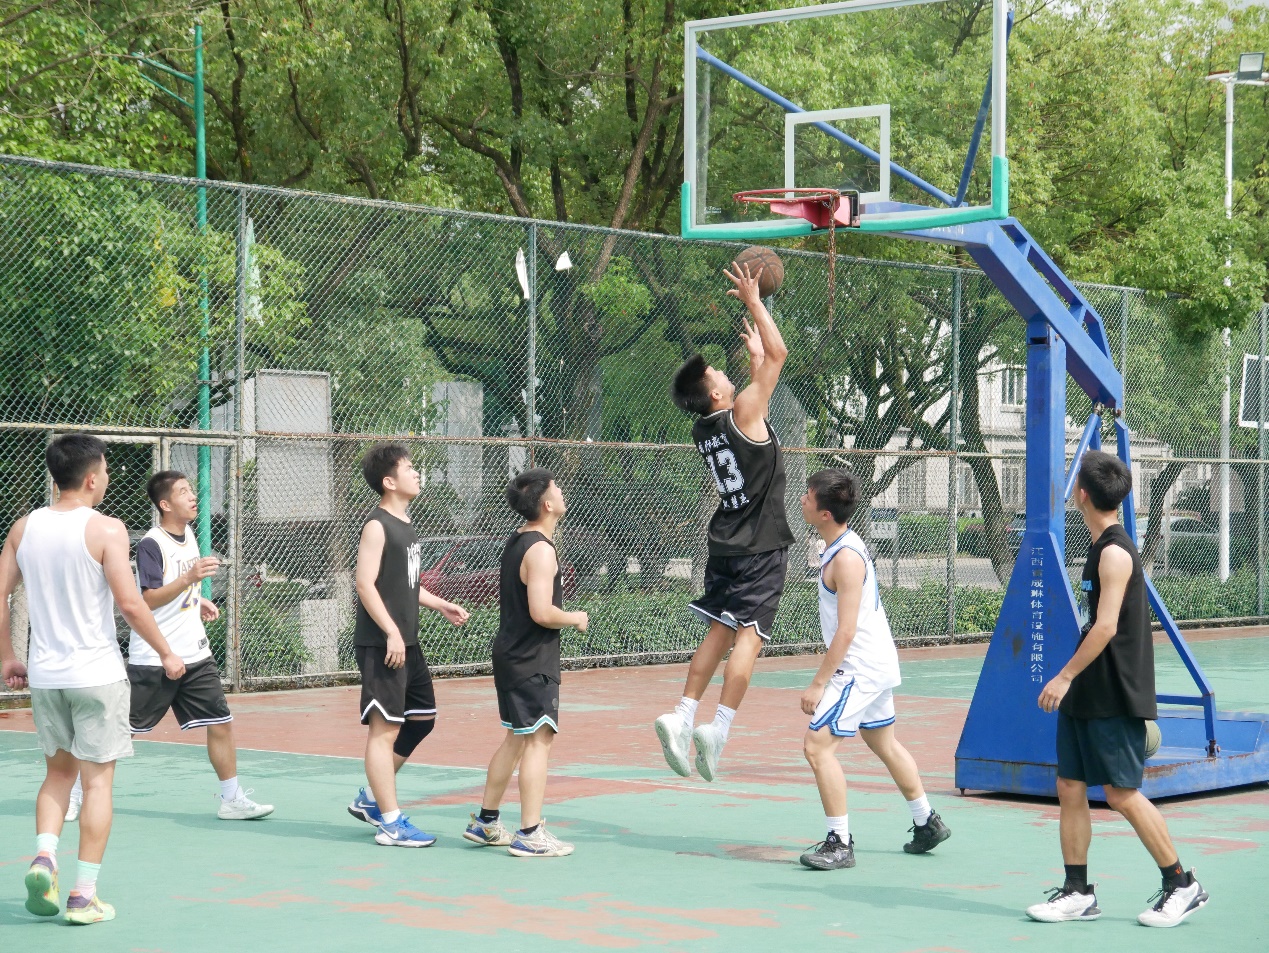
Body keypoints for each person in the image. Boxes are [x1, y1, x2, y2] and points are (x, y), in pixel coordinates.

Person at [0, 434, 185, 925]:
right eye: (104, 471)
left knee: (57, 775)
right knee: (97, 783)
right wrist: (166, 651)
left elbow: (0, 594)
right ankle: (83, 896)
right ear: (90, 478)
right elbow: (129, 603)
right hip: (97, 675)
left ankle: (44, 858)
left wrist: (7, 657)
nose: (106, 479)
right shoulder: (107, 528)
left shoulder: (23, 528)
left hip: (46, 676)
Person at [1029, 450, 1208, 927]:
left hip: (1114, 690)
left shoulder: (1113, 551)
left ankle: (1182, 883)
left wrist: (1064, 675)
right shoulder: (1099, 545)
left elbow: (1106, 627)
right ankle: (1077, 891)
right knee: (1070, 786)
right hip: (1089, 689)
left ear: (1081, 494)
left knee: (1121, 793)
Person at [654, 259, 796, 782]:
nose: (723, 372)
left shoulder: (708, 427)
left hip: (725, 544)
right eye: (717, 374)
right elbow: (780, 357)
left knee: (719, 630)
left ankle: (682, 713)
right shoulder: (743, 413)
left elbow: (763, 381)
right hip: (761, 546)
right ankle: (718, 729)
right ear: (716, 394)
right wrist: (755, 302)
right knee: (748, 637)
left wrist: (758, 360)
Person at [797, 468, 950, 870]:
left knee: (817, 747)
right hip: (875, 662)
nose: (802, 500)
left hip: (859, 667)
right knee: (884, 742)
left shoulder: (846, 558)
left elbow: (846, 631)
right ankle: (927, 822)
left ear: (825, 513)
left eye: (808, 496)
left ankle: (839, 843)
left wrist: (818, 683)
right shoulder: (840, 545)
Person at [124, 470, 272, 820]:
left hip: (195, 655)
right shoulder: (151, 544)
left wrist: (195, 599)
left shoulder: (188, 533)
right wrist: (189, 579)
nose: (193, 496)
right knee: (120, 733)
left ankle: (231, 799)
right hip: (155, 659)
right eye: (183, 492)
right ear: (165, 504)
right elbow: (149, 598)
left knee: (221, 722)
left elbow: (174, 589)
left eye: (191, 490)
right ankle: (75, 792)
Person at [345, 443, 469, 847]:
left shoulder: (406, 523)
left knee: (422, 719)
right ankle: (391, 823)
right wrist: (391, 632)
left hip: (406, 643)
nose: (416, 473)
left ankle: (371, 799)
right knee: (383, 731)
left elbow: (406, 584)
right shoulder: (377, 525)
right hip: (383, 644)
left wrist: (440, 604)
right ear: (389, 481)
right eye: (409, 468)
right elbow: (364, 584)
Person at [463, 469, 588, 857]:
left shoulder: (518, 540)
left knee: (517, 738)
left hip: (513, 655)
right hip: (531, 660)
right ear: (547, 504)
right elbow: (541, 611)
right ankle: (530, 833)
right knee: (538, 740)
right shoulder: (541, 550)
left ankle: (486, 822)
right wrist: (575, 617)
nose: (562, 491)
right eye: (557, 487)